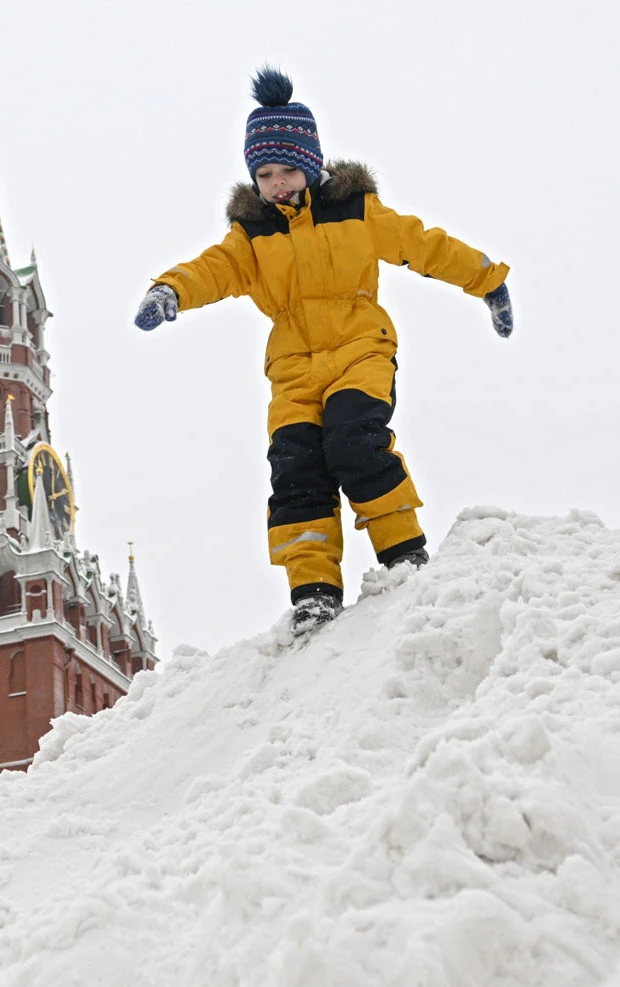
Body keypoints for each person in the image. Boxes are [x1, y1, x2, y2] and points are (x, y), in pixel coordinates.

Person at [136, 68, 514, 634]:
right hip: (292, 368)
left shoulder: (355, 211)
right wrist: (170, 289)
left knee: (354, 442)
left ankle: (404, 555)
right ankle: (314, 591)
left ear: (310, 164)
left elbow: (425, 245)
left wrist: (488, 281)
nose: (277, 183)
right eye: (264, 174)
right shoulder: (252, 235)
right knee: (295, 470)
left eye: (287, 169)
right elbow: (211, 270)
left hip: (361, 346)